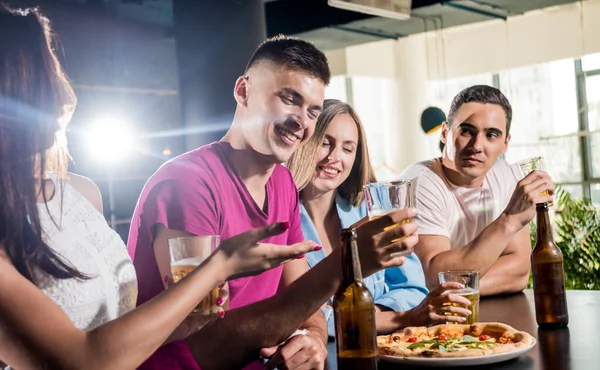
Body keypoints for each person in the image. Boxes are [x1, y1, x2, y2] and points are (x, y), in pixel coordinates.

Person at [0, 6, 316, 369]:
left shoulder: (82, 194)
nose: (61, 88)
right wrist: (219, 266)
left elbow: (119, 331)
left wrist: (183, 321)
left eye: (53, 65)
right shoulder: (190, 179)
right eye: (43, 70)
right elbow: (84, 359)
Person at [128, 35, 418, 370]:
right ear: (243, 91)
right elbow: (200, 343)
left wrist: (311, 339)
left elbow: (304, 305)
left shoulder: (281, 182)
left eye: (312, 111)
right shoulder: (188, 183)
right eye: (289, 99)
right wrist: (345, 263)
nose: (301, 122)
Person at [287, 99, 473, 338]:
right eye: (325, 143)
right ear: (304, 143)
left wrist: (370, 313)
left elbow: (413, 289)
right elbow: (297, 314)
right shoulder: (282, 218)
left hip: (383, 349)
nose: (334, 157)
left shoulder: (371, 210)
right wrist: (383, 318)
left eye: (347, 148)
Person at [397, 85, 555, 296]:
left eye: (491, 135)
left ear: (505, 143)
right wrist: (509, 220)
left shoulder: (504, 175)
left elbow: (520, 271)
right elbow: (433, 278)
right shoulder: (420, 182)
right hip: (424, 322)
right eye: (467, 131)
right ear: (445, 132)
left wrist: (456, 286)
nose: (477, 145)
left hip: (481, 313)